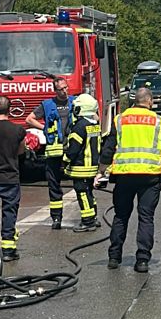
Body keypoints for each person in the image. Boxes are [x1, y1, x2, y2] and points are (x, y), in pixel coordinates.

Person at [99, 85, 161, 271]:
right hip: (149, 177)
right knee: (146, 217)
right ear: (149, 101)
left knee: (121, 216)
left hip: (124, 176)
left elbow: (107, 150)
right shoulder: (159, 121)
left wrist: (100, 172)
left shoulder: (120, 120)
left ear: (134, 100)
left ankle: (114, 257)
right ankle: (142, 260)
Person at [0, 95, 34, 264]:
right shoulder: (17, 130)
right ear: (10, 109)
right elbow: (21, 151)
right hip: (10, 178)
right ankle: (8, 250)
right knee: (9, 213)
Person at [32, 78, 72, 229]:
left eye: (66, 88)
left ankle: (88, 217)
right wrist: (44, 128)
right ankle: (56, 218)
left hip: (72, 149)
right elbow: (30, 119)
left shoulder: (74, 102)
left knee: (81, 183)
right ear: (55, 91)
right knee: (54, 185)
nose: (64, 91)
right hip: (54, 151)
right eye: (61, 89)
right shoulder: (48, 105)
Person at [64, 91, 102, 229]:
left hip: (81, 167)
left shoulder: (79, 126)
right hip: (92, 166)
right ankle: (93, 217)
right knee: (89, 192)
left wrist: (65, 160)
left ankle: (87, 221)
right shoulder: (94, 125)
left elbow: (73, 148)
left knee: (82, 193)